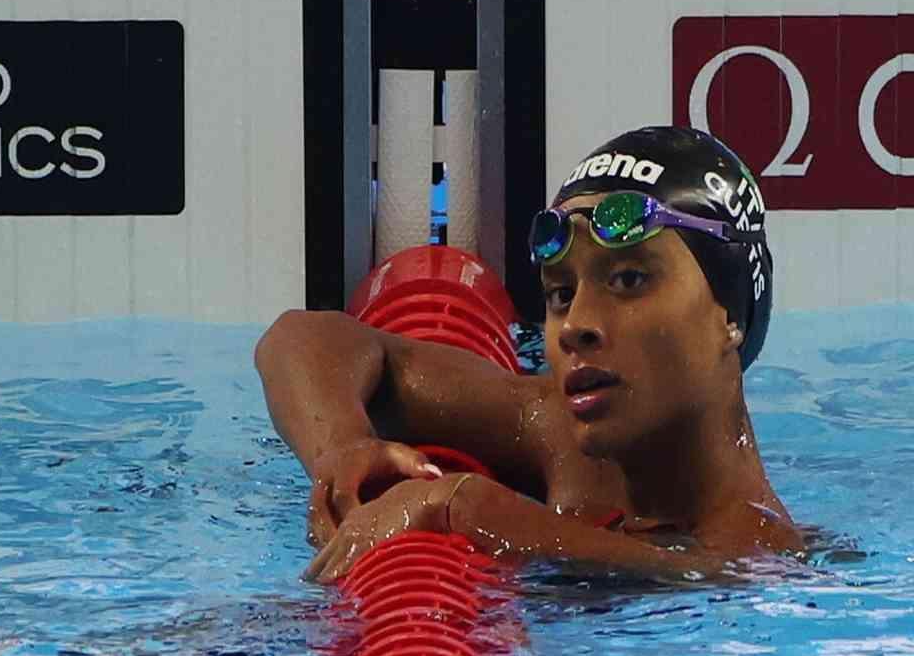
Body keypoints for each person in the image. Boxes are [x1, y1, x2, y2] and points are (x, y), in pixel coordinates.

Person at [255, 126, 803, 583]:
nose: (576, 327)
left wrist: (463, 507)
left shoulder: (759, 547)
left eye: (630, 279)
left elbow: (710, 576)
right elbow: (301, 340)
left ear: (730, 313)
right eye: (561, 294)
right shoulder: (564, 438)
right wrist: (345, 445)